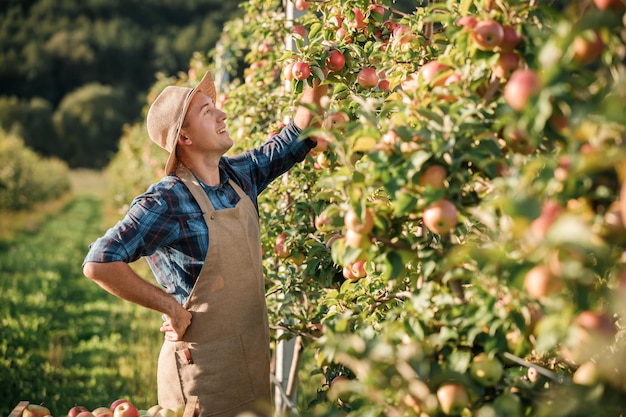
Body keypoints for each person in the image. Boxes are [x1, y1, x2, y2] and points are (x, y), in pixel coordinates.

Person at [82, 70, 327, 417]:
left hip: (251, 373)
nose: (222, 114)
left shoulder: (238, 177)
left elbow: (296, 137)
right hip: (202, 381)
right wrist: (170, 308)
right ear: (184, 135)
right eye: (206, 110)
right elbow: (99, 262)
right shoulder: (167, 199)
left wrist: (318, 71)